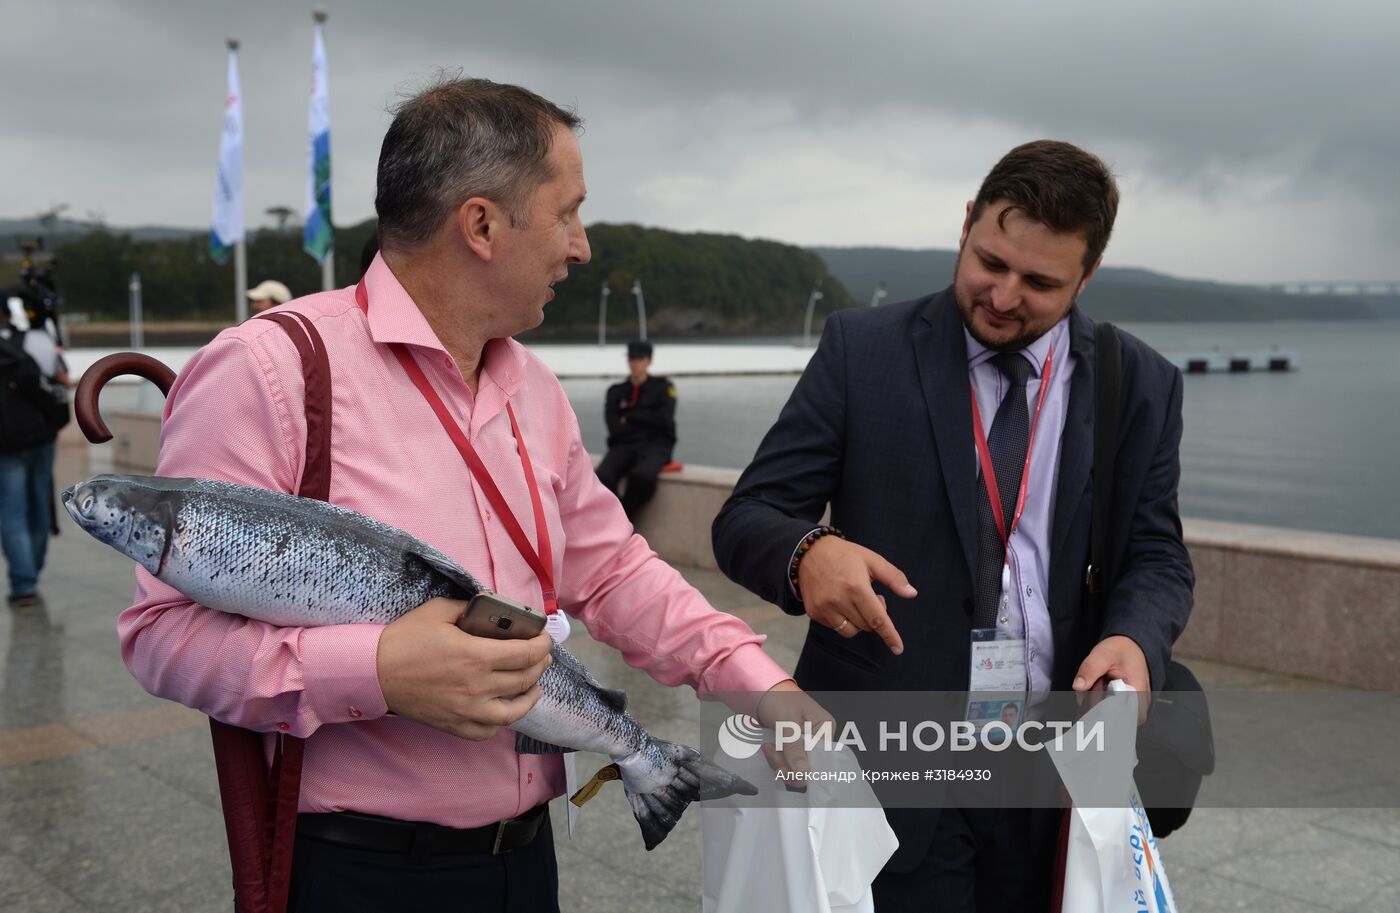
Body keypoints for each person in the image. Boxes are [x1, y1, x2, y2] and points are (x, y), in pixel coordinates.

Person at [119, 77, 808, 913]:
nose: (581, 246)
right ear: (480, 224)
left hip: (524, 860)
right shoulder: (270, 370)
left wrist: (754, 679)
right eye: (567, 213)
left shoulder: (533, 388)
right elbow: (161, 636)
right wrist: (375, 670)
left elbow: (614, 569)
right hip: (359, 872)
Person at [712, 140, 1194, 910]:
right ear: (966, 222)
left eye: (1039, 282)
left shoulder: (1141, 383)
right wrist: (808, 552)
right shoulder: (860, 350)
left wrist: (1135, 641)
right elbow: (747, 516)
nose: (1003, 296)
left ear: (1087, 274)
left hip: (1052, 770)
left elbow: (1157, 554)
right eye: (989, 261)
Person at [0, 298, 68, 608]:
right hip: (41, 436)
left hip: (6, 444)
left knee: (12, 511)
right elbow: (60, 378)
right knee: (40, 503)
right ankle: (33, 570)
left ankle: (23, 583)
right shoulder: (36, 340)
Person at [596, 339, 677, 520]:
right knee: (603, 476)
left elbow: (664, 421)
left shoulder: (664, 388)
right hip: (624, 444)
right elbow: (614, 426)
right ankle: (619, 520)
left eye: (639, 359)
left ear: (648, 361)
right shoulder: (617, 391)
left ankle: (625, 519)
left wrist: (631, 417)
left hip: (655, 445)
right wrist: (646, 417)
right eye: (632, 358)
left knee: (642, 477)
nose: (635, 363)